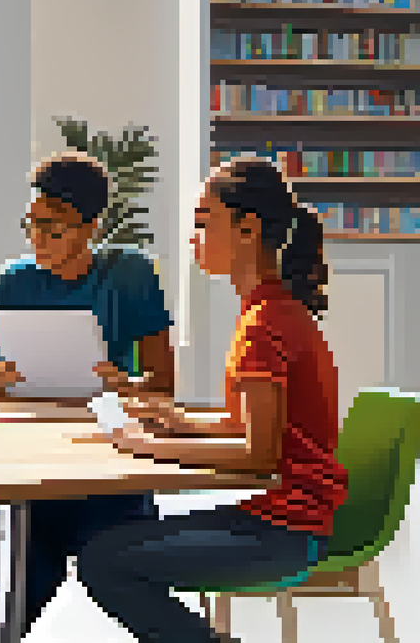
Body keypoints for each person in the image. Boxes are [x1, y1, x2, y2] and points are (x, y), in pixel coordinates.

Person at [76, 156, 348, 643]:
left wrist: (148, 446)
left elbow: (259, 454)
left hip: (283, 531)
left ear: (247, 229)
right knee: (116, 537)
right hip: (287, 519)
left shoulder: (264, 325)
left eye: (203, 222)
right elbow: (253, 426)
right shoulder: (272, 309)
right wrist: (178, 420)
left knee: (102, 560)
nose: (193, 237)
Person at [0, 151, 176, 638]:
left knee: (124, 575)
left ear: (91, 227)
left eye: (53, 227)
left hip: (107, 456)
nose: (38, 237)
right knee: (16, 589)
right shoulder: (16, 279)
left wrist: (125, 383)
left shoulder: (128, 273)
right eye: (32, 223)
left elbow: (162, 383)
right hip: (32, 459)